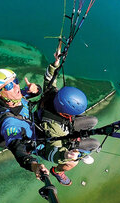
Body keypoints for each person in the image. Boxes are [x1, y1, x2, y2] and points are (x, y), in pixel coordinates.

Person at [36, 54, 100, 186]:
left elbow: (49, 78)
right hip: (48, 146)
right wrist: (66, 156)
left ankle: (77, 146)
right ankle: (58, 172)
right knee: (93, 145)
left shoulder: (52, 94)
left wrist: (55, 64)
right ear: (65, 112)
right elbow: (54, 151)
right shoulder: (54, 127)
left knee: (93, 121)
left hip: (63, 129)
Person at [0, 68, 50, 179]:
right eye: (9, 86)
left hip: (43, 126)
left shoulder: (16, 97)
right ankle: (59, 172)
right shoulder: (8, 122)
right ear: (0, 94)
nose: (16, 86)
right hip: (45, 146)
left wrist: (36, 89)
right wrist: (34, 166)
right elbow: (17, 148)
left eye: (15, 81)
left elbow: (33, 92)